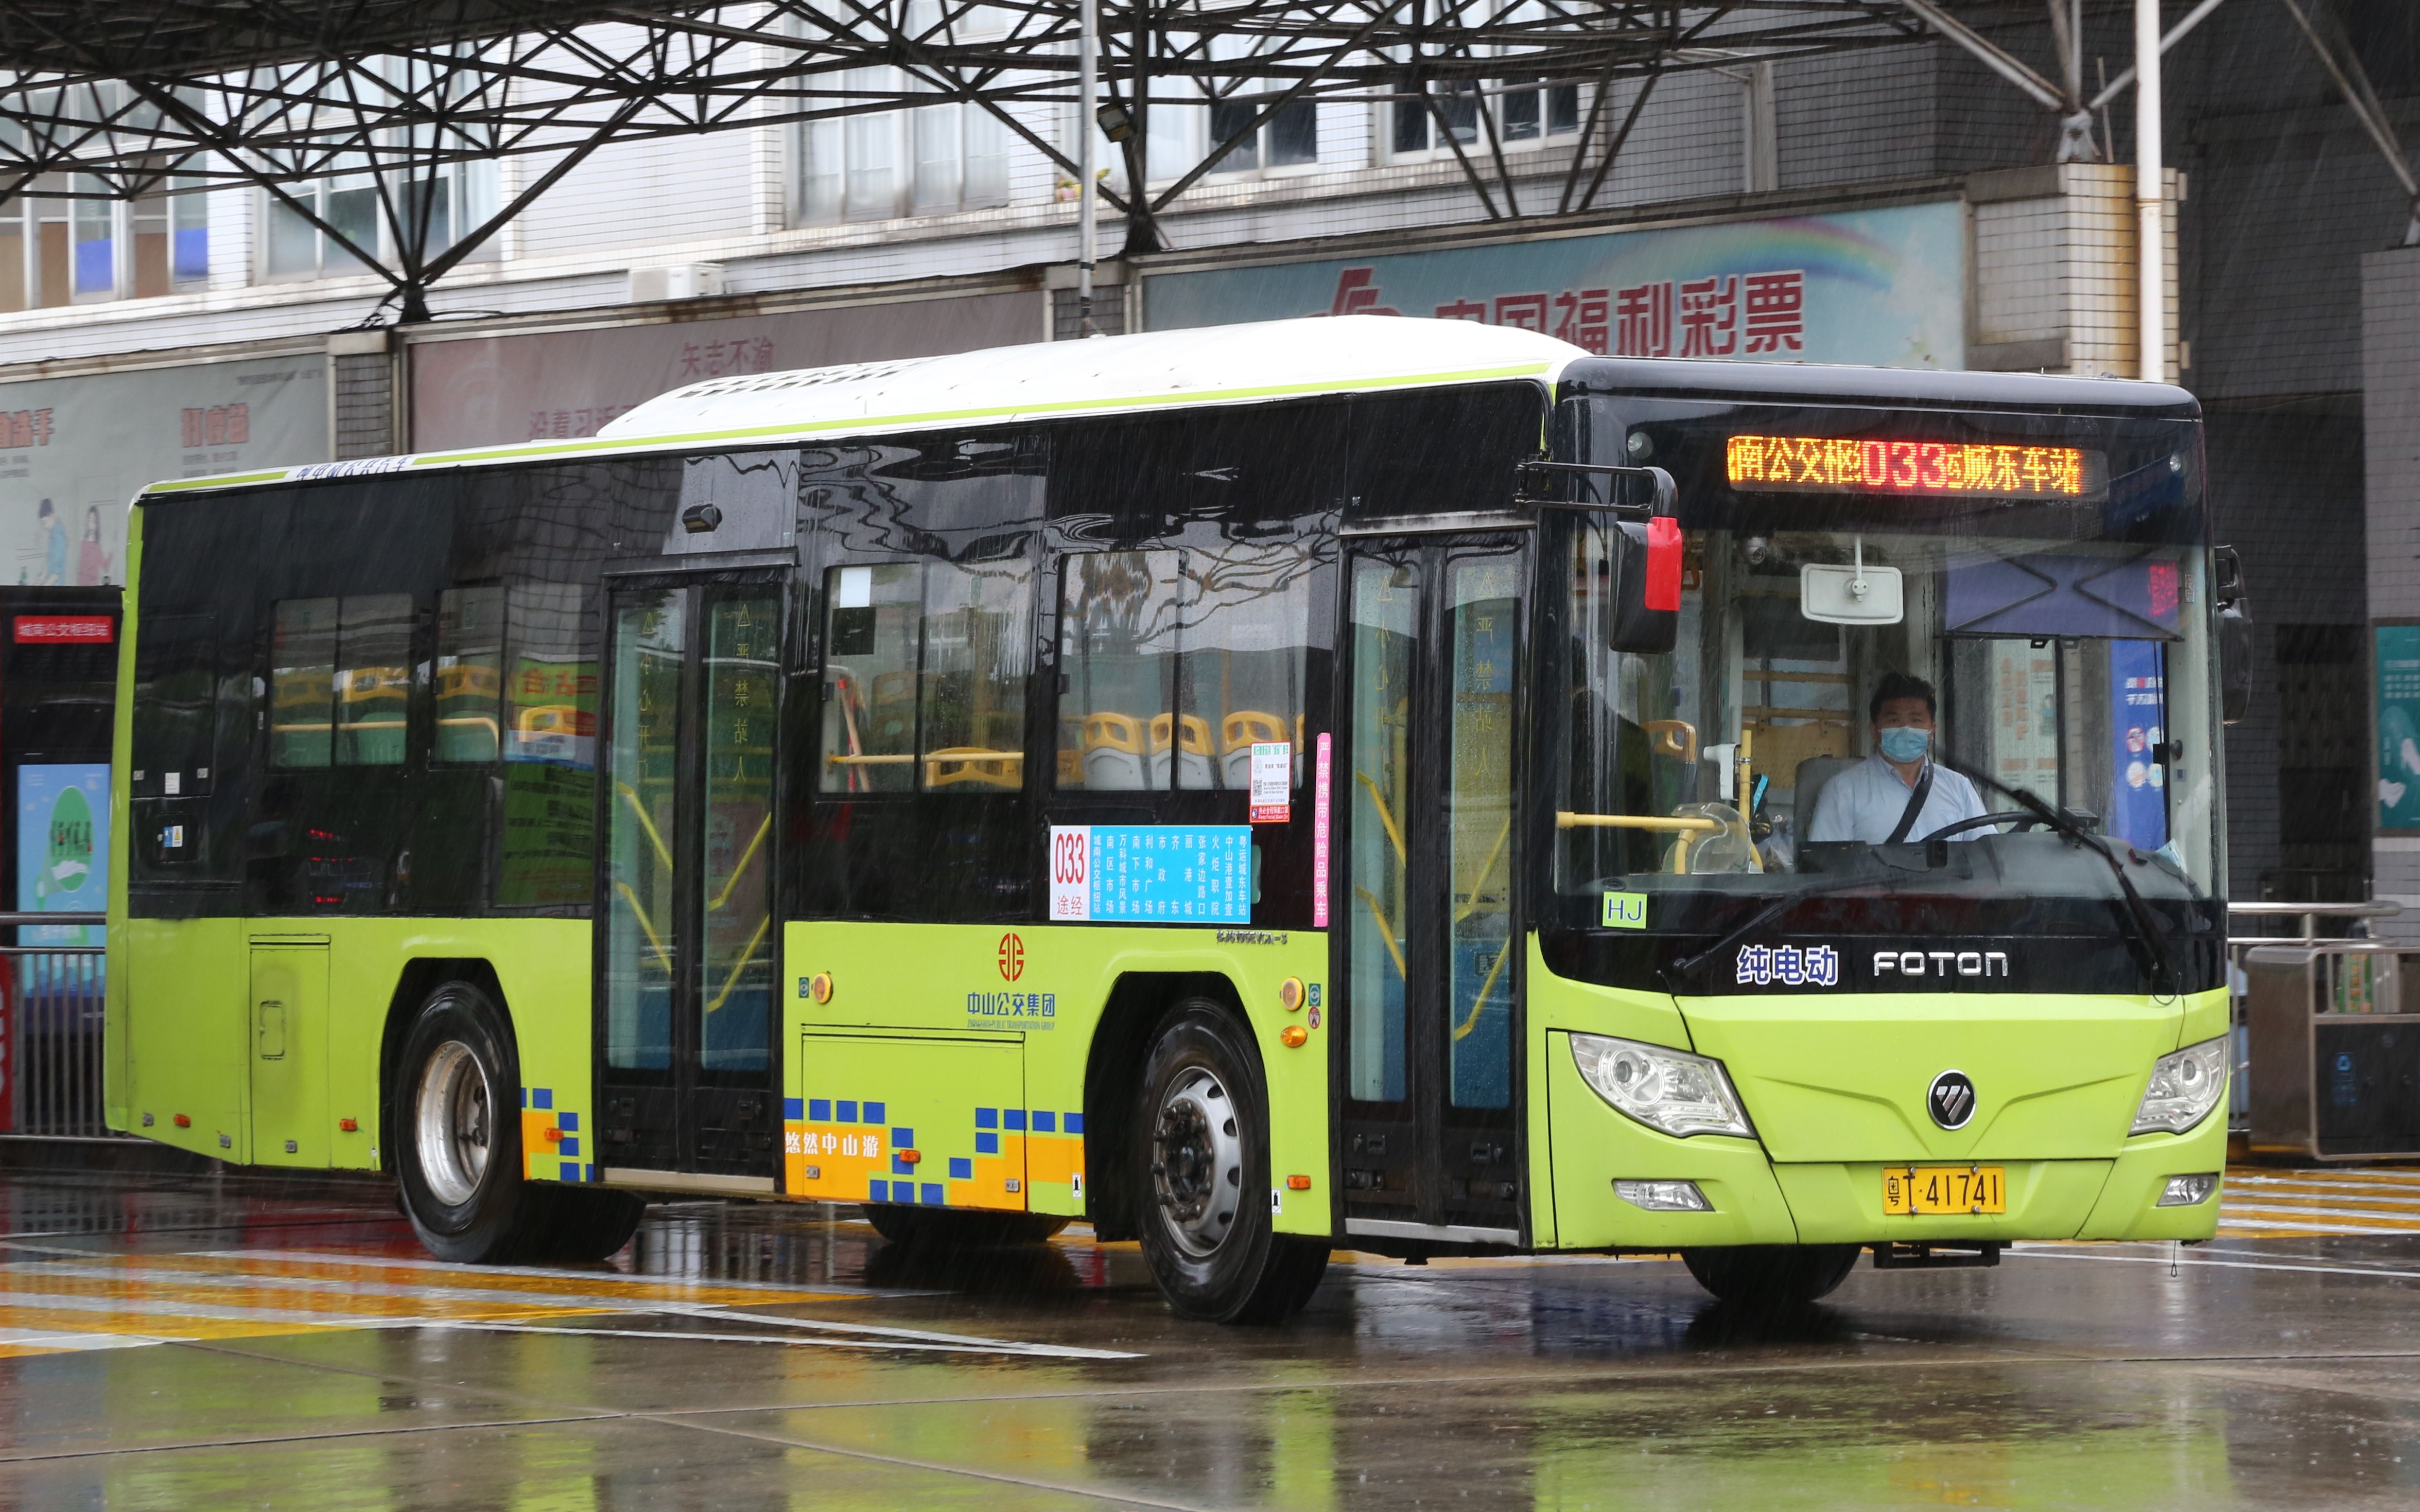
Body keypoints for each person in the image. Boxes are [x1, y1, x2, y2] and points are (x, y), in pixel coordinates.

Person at [1808, 672, 1987, 845]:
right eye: (1894, 721)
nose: (1905, 729)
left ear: (1932, 730)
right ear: (1875, 730)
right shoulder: (1843, 791)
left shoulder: (1959, 788)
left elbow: (1988, 855)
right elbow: (1825, 864)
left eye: (1916, 720)